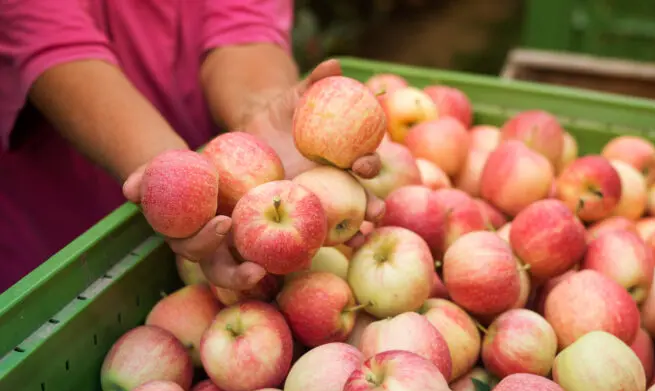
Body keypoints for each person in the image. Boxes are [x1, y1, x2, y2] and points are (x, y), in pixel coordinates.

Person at [0, 0, 383, 294]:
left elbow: (244, 28)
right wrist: (174, 173)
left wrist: (258, 111)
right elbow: (56, 47)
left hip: (219, 197)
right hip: (64, 229)